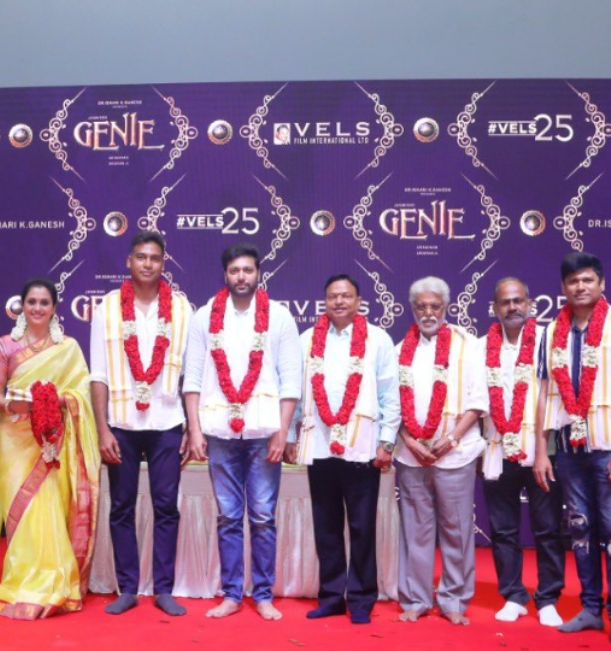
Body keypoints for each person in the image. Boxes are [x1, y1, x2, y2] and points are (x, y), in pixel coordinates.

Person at [184, 243, 302, 621]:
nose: (241, 277)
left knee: (263, 517)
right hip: (219, 432)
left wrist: (283, 432)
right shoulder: (204, 317)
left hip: (264, 431)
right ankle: (232, 594)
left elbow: (291, 381)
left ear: (258, 273)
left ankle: (263, 595)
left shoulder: (279, 317)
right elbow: (193, 378)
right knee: (229, 517)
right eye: (234, 270)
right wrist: (195, 429)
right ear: (225, 274)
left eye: (248, 270)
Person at [535, 251, 611, 645]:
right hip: (569, 450)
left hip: (610, 450)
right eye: (573, 281)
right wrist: (541, 450)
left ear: (601, 284)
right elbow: (544, 393)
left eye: (587, 280)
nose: (580, 287)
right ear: (563, 287)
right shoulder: (552, 331)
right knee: (580, 530)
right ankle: (590, 610)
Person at [90, 231, 192, 617]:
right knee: (121, 507)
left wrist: (191, 427)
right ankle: (128, 588)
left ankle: (164, 589)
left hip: (167, 421)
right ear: (129, 261)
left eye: (155, 258)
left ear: (164, 263)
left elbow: (192, 375)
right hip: (122, 422)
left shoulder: (181, 308)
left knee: (167, 506)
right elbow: (98, 373)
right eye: (141, 257)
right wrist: (102, 428)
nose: (148, 264)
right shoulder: (107, 307)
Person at [287, 274, 399, 624]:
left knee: (363, 526)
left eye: (346, 296)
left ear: (359, 301)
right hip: (319, 446)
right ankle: (332, 597)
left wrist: (387, 441)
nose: (339, 301)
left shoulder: (378, 339)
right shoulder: (306, 340)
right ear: (324, 301)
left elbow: (390, 394)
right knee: (326, 526)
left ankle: (362, 599)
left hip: (362, 447)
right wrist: (290, 435)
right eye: (332, 296)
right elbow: (296, 392)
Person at [0, 277, 100, 619]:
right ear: (22, 306)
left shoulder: (68, 347)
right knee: (22, 510)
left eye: (44, 302)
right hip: (14, 437)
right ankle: (21, 581)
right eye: (31, 302)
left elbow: (81, 392)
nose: (37, 308)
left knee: (48, 506)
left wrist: (53, 402)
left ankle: (52, 582)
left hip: (52, 437)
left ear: (54, 308)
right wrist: (14, 405)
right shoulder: (6, 345)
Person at [394, 276, 486, 625]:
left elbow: (479, 400)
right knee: (415, 530)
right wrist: (410, 441)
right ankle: (416, 598)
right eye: (421, 307)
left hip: (456, 453)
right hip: (412, 455)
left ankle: (453, 600)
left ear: (446, 307)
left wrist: (451, 439)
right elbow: (392, 405)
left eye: (435, 306)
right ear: (413, 309)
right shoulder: (399, 349)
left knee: (456, 528)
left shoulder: (469, 345)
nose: (428, 313)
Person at [479, 278, 564, 627]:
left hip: (543, 450)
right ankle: (513, 595)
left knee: (547, 528)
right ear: (495, 308)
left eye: (518, 300)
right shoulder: (481, 347)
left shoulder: (549, 341)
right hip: (497, 449)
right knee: (503, 529)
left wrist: (545, 449)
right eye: (505, 302)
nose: (512, 307)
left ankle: (548, 599)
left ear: (529, 303)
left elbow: (558, 396)